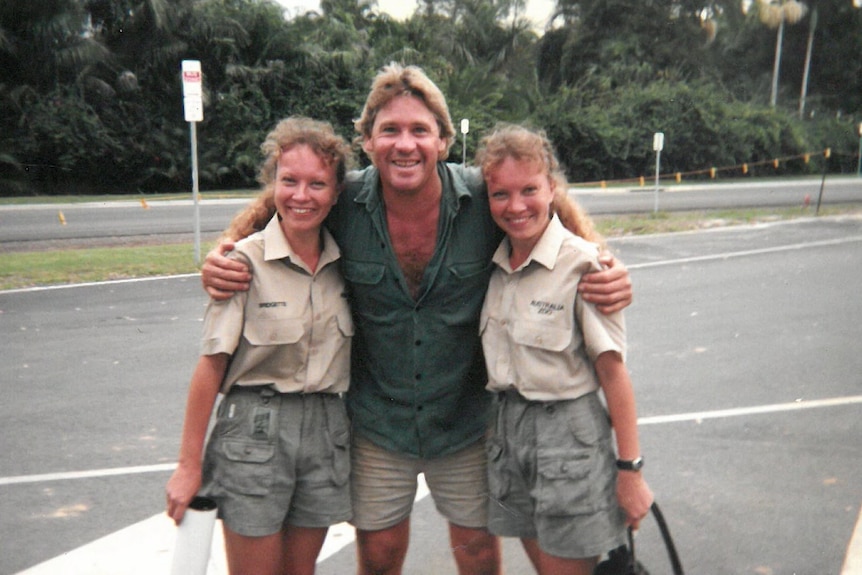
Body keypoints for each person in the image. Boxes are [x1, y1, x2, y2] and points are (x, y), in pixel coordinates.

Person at [201, 64, 634, 575]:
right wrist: (220, 253)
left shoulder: (484, 199)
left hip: (464, 420)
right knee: (380, 555)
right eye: (390, 130)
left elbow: (551, 213)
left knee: (476, 551)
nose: (404, 144)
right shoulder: (344, 201)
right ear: (366, 140)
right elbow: (276, 209)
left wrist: (608, 262)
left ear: (444, 140)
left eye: (419, 130)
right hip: (378, 423)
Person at [166, 116, 355, 575]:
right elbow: (210, 367)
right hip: (255, 432)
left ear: (335, 193)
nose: (302, 196)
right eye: (289, 181)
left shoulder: (347, 262)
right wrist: (188, 465)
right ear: (272, 183)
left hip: (325, 432)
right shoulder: (242, 262)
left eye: (317, 184)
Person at [476, 124, 653, 575]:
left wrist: (630, 472)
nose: (516, 206)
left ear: (552, 188)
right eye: (501, 194)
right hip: (507, 435)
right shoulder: (493, 265)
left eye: (529, 189)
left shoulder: (585, 265)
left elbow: (614, 374)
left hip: (567, 441)